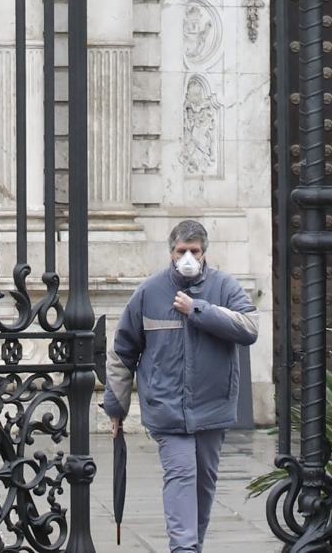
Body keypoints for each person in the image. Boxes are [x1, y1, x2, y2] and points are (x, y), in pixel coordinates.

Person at [101, 220, 260, 552]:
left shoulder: (224, 286)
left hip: (212, 407)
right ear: (170, 253)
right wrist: (115, 408)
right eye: (181, 251)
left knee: (203, 486)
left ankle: (192, 546)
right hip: (167, 410)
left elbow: (249, 326)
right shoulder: (149, 292)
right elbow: (123, 351)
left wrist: (198, 309)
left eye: (194, 251)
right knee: (181, 477)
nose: (188, 257)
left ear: (204, 253)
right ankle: (183, 549)